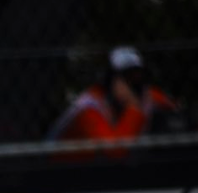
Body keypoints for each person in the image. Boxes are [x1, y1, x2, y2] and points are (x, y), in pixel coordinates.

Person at [49, 47, 184, 155]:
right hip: (62, 172)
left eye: (138, 77)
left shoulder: (145, 95)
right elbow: (115, 152)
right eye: (127, 78)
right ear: (112, 81)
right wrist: (133, 107)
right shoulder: (90, 108)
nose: (134, 85)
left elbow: (174, 109)